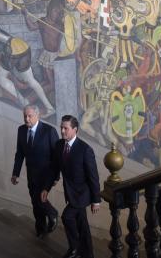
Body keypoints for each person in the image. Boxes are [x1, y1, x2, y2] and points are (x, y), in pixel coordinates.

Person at [41, 115, 101, 258]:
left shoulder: (85, 150)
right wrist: (46, 188)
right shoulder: (59, 145)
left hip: (82, 193)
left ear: (75, 130)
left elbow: (93, 177)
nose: (62, 131)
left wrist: (96, 200)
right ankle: (87, 254)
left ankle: (75, 249)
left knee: (67, 216)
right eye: (61, 127)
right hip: (70, 192)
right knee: (82, 224)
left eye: (65, 128)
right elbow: (54, 169)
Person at [11, 105, 60, 238]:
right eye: (25, 116)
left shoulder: (49, 131)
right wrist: (15, 173)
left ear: (38, 116)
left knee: (39, 197)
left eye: (30, 116)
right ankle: (41, 229)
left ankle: (52, 213)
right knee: (35, 200)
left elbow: (57, 156)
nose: (27, 119)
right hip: (31, 174)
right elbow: (20, 154)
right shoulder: (21, 130)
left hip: (47, 174)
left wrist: (56, 176)